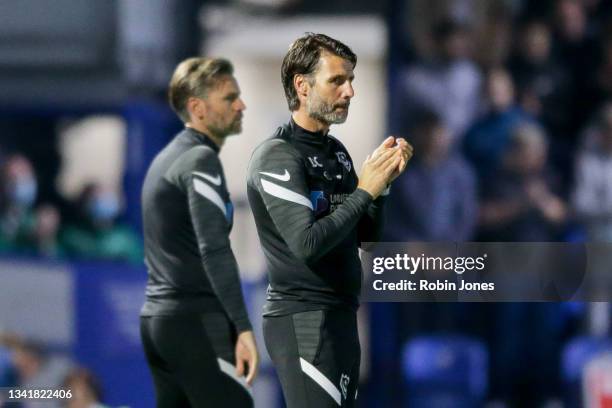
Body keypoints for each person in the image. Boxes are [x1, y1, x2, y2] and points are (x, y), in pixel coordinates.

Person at [246, 33, 412, 407]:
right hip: (304, 319)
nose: (350, 90)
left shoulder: (336, 152)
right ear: (302, 86)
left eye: (351, 79)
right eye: (337, 80)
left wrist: (380, 187)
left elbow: (367, 238)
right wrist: (364, 192)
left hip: (340, 315)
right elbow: (307, 244)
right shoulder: (277, 156)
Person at [140, 57, 258, 407]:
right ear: (198, 108)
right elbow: (215, 249)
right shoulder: (199, 160)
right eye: (229, 97)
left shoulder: (167, 158)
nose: (241, 104)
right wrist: (242, 325)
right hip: (192, 321)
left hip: (159, 322)